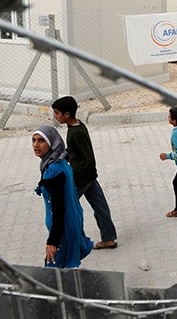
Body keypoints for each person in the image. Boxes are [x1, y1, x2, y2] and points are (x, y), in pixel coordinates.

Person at [51, 96, 118, 250]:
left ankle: (66, 241)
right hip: (89, 176)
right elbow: (74, 151)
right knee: (100, 207)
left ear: (66, 114)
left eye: (57, 113)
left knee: (66, 208)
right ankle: (108, 238)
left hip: (81, 178)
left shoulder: (75, 132)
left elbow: (86, 158)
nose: (55, 116)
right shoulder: (78, 126)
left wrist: (71, 175)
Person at [32, 125, 93, 268]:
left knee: (52, 274)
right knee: (65, 270)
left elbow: (58, 208)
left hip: (62, 227)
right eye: (34, 140)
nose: (36, 145)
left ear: (52, 144)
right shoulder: (60, 162)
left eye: (41, 141)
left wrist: (52, 241)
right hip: (71, 221)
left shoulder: (53, 171)